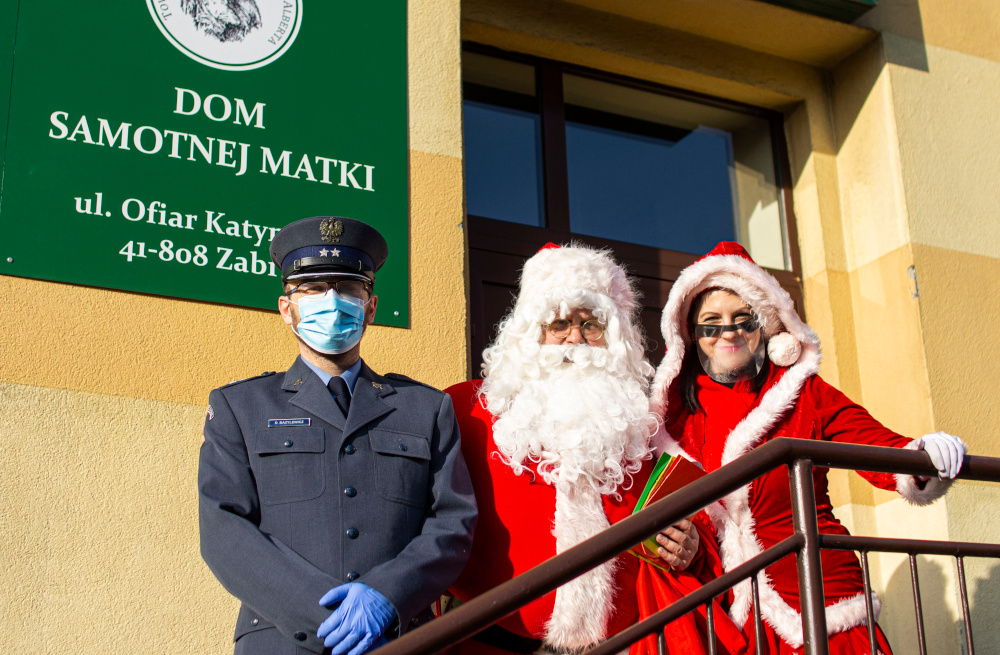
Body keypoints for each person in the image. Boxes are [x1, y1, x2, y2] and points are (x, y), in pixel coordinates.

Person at [649, 241, 967, 654]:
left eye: (742, 318)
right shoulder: (676, 422)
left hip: (821, 603)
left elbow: (875, 444)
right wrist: (688, 549)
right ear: (692, 335)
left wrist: (923, 455)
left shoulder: (802, 392)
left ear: (764, 325)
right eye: (712, 321)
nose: (728, 331)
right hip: (738, 621)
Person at [445, 243, 744, 655]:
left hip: (622, 643)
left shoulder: (641, 427)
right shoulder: (466, 411)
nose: (575, 339)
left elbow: (698, 529)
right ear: (531, 332)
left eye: (592, 325)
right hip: (490, 642)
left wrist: (691, 549)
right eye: (560, 323)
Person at [199, 216, 477, 655]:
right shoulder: (242, 407)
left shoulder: (425, 408)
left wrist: (388, 597)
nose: (332, 301)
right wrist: (325, 614)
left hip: (399, 637)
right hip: (281, 640)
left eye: (348, 288)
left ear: (370, 307)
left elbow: (452, 523)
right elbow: (224, 530)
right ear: (286, 308)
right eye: (312, 288)